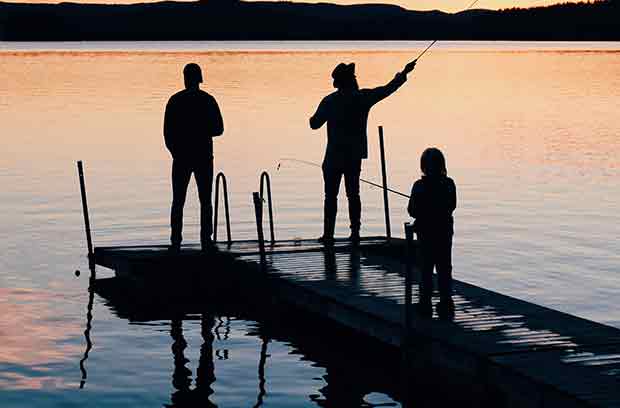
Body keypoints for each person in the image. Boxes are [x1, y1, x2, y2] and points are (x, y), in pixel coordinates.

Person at [309, 60, 416, 246]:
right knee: (354, 195)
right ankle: (355, 233)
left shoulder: (330, 101)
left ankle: (328, 235)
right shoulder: (362, 98)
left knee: (330, 197)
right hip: (353, 156)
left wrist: (317, 115)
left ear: (338, 83)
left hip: (333, 157)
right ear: (352, 80)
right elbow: (387, 89)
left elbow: (314, 124)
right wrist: (404, 73)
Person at [164, 63, 224, 252]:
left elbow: (168, 133)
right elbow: (219, 129)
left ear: (185, 78)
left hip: (182, 157)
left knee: (178, 201)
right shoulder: (208, 100)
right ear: (200, 79)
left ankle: (175, 241)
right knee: (205, 200)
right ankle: (206, 240)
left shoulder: (175, 100)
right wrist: (202, 130)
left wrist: (176, 151)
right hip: (203, 157)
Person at [407, 148, 457, 320]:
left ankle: (425, 300)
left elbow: (412, 210)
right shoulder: (449, 183)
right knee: (444, 266)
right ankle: (446, 300)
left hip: (425, 233)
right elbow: (452, 205)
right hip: (444, 232)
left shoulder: (419, 186)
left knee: (426, 267)